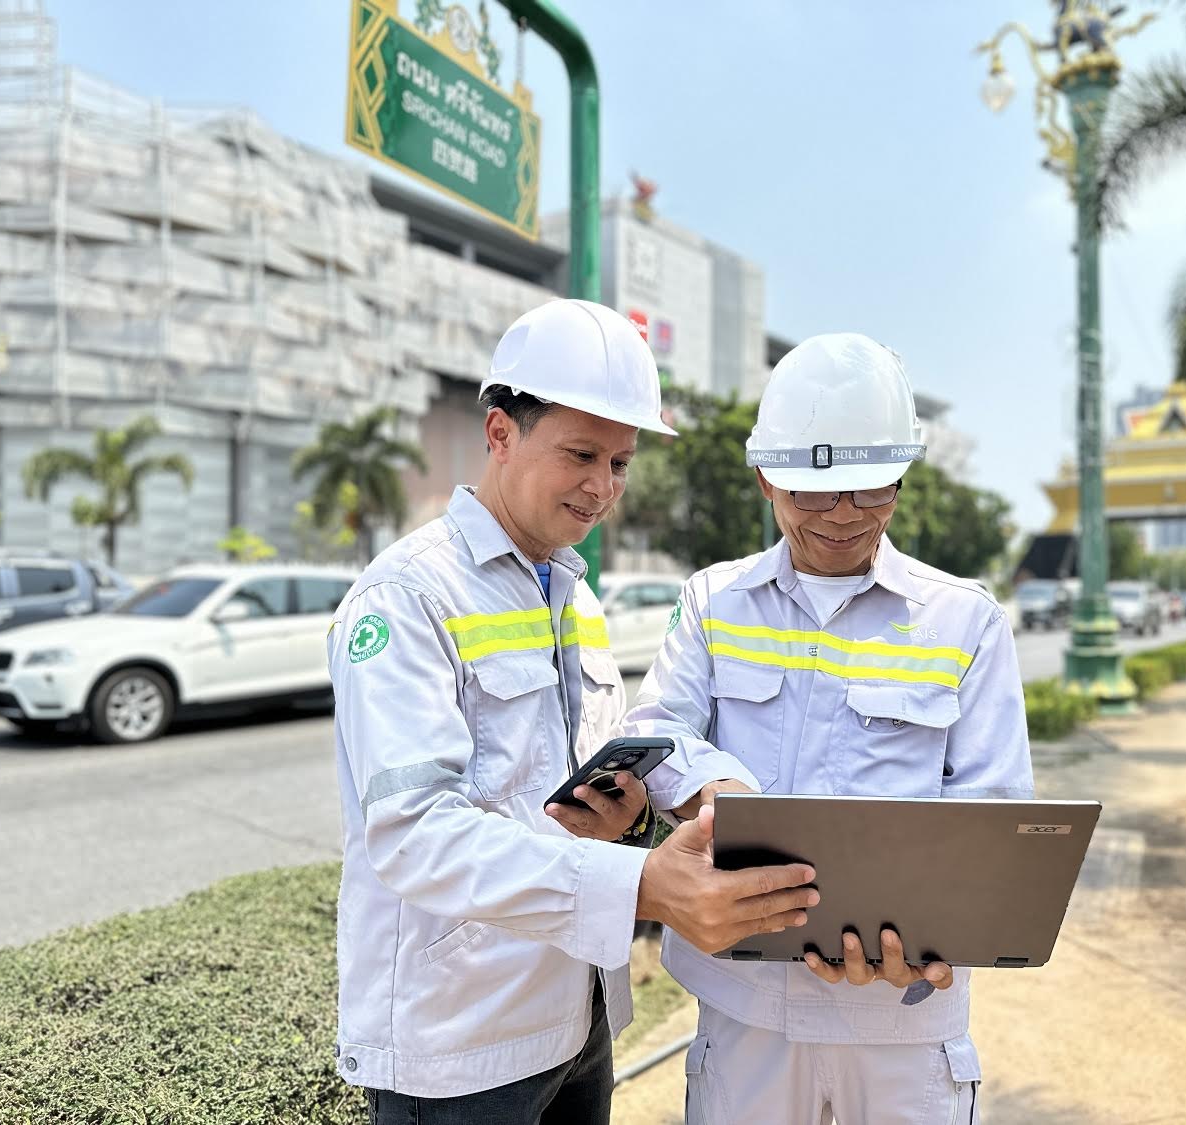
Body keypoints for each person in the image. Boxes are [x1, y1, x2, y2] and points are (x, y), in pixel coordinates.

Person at [327, 298, 821, 1125]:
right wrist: (644, 884)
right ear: (500, 433)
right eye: (581, 454)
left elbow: (581, 772)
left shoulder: (572, 593)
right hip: (460, 1043)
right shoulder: (409, 595)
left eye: (621, 461)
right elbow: (414, 833)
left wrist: (665, 799)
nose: (603, 487)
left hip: (576, 1014)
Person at [614, 333, 1032, 1123]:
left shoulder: (964, 621)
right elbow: (655, 728)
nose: (843, 515)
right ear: (767, 478)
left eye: (871, 490)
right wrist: (714, 787)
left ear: (902, 477)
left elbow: (993, 811)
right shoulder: (714, 603)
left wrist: (939, 931)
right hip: (747, 1005)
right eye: (815, 493)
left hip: (902, 1016)